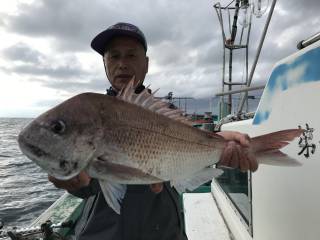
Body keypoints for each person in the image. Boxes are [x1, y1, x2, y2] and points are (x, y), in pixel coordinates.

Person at [49, 22, 258, 240]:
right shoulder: (87, 117)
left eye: (131, 55)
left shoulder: (167, 114)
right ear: (104, 63)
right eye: (114, 56)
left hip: (163, 230)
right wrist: (69, 177)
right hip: (103, 231)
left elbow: (193, 147)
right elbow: (88, 186)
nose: (122, 64)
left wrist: (221, 144)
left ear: (146, 63)